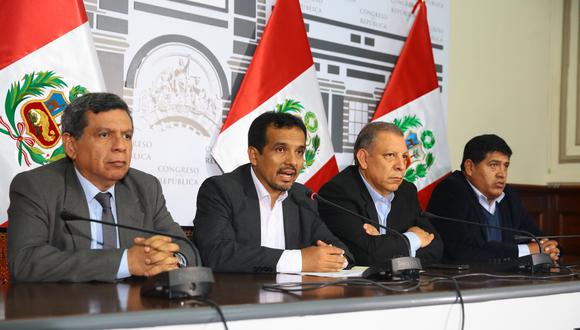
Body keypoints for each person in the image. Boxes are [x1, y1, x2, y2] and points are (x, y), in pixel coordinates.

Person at [8, 92, 195, 282]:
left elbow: (188, 250)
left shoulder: (146, 187)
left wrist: (169, 259)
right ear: (71, 145)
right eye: (105, 135)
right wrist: (125, 262)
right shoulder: (36, 187)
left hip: (135, 308)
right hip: (65, 307)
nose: (120, 146)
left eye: (127, 136)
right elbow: (25, 261)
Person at [193, 111, 353, 273]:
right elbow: (217, 254)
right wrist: (298, 260)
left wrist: (334, 259)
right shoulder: (221, 190)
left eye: (299, 152)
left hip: (295, 296)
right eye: (281, 149)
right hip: (239, 295)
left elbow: (343, 252)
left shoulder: (302, 197)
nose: (292, 161)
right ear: (254, 156)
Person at [318, 122, 442, 266]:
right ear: (363, 159)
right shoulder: (339, 192)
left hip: (400, 286)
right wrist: (414, 239)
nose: (401, 166)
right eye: (390, 155)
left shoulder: (406, 191)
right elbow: (365, 256)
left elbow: (436, 247)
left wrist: (382, 244)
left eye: (403, 157)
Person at [427, 134, 559, 263]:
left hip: (507, 279)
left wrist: (550, 248)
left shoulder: (509, 196)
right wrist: (525, 251)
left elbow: (535, 236)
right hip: (462, 282)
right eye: (493, 165)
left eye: (505, 166)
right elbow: (461, 250)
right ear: (470, 167)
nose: (502, 174)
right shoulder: (451, 191)